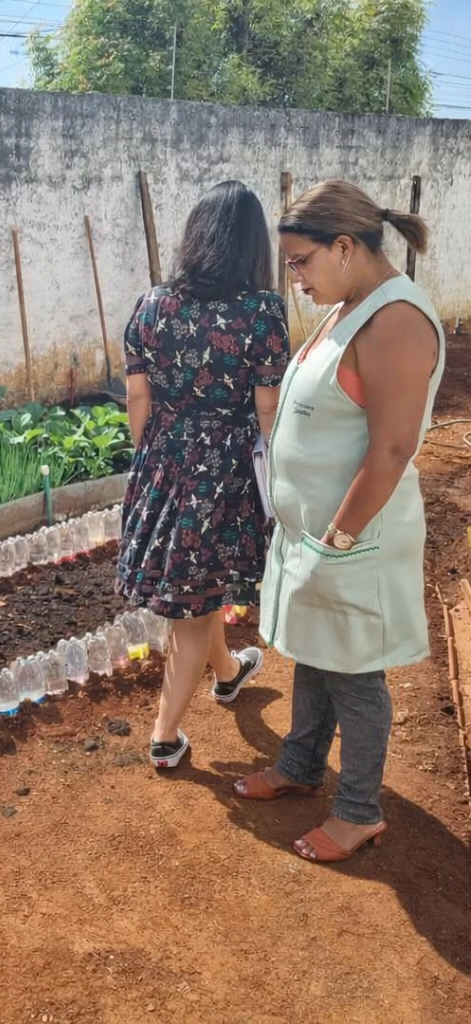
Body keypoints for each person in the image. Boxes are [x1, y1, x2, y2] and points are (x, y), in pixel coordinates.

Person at [237, 180, 445, 863]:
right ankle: (300, 765)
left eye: (302, 262)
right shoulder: (348, 308)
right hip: (317, 531)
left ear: (346, 246)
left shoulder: (396, 321)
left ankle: (359, 811)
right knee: (314, 649)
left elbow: (391, 449)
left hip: (354, 533)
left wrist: (340, 537)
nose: (296, 279)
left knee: (354, 675)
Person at [116, 180, 290, 770]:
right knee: (193, 604)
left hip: (163, 460)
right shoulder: (261, 312)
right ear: (252, 245)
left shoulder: (151, 304)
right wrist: (276, 475)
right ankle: (164, 738)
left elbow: (137, 397)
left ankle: (229, 672)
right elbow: (268, 410)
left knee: (197, 588)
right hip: (226, 473)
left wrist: (153, 461)